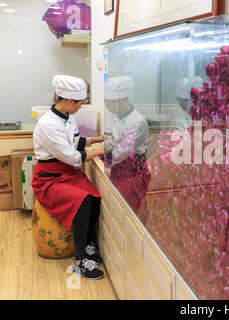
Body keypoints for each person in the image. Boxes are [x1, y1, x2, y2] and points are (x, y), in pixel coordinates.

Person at [32, 75, 105, 280]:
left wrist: (98, 139)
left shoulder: (68, 116)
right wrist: (102, 149)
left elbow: (74, 141)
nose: (81, 107)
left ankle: (89, 245)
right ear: (69, 101)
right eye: (81, 103)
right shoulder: (47, 124)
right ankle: (79, 260)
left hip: (67, 173)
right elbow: (73, 157)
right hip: (49, 178)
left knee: (94, 197)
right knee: (82, 201)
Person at [104, 76, 150, 212]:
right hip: (116, 169)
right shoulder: (112, 114)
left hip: (133, 173)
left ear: (119, 101)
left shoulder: (137, 122)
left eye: (108, 102)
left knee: (126, 210)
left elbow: (121, 153)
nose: (106, 106)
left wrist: (103, 154)